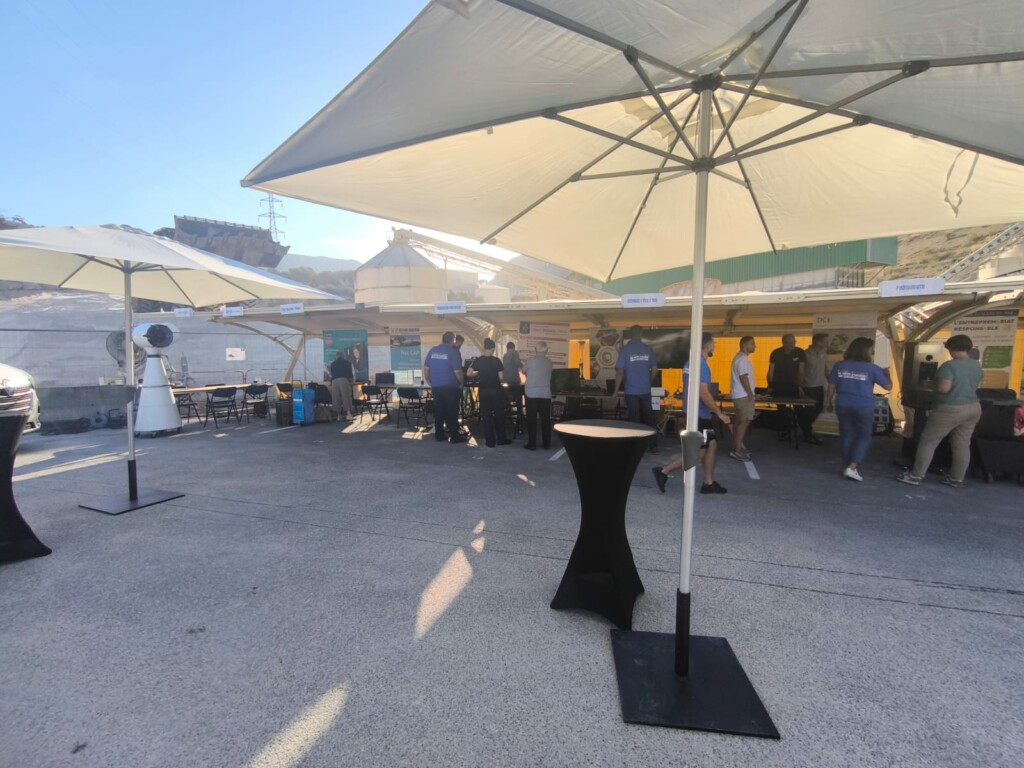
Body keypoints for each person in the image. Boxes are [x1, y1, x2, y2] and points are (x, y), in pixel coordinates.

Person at [896, 334, 983, 488]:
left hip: (950, 408)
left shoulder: (949, 366)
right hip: (973, 407)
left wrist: (931, 385)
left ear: (952, 348)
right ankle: (956, 478)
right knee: (962, 443)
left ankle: (916, 475)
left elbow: (944, 388)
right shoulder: (976, 365)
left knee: (928, 441)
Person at [652, 333, 731, 494]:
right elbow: (704, 393)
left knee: (711, 445)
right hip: (699, 415)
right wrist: (719, 413)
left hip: (696, 413)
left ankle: (708, 483)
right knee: (697, 453)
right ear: (707, 345)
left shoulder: (690, 363)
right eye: (713, 343)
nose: (715, 346)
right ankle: (663, 471)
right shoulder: (701, 365)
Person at [826, 337, 891, 482]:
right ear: (866, 351)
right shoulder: (872, 368)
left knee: (846, 435)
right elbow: (888, 387)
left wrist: (828, 401)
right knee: (863, 436)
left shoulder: (839, 365)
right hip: (863, 405)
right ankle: (852, 466)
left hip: (842, 404)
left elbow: (831, 385)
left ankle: (846, 465)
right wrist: (887, 374)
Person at [614, 325, 659, 453]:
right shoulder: (648, 349)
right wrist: (649, 381)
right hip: (645, 390)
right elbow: (654, 369)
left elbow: (620, 372)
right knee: (649, 418)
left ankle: (636, 448)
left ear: (630, 334)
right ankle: (653, 446)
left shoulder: (625, 350)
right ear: (641, 333)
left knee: (634, 420)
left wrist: (615, 391)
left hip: (631, 391)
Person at [768, 333, 812, 443]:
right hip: (779, 385)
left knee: (799, 408)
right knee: (781, 409)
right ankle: (784, 431)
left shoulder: (800, 352)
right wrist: (770, 385)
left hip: (794, 385)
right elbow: (770, 371)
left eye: (794, 342)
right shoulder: (776, 353)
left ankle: (806, 432)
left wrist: (799, 386)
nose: (792, 344)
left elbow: (801, 371)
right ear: (783, 343)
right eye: (790, 342)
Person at [423, 331, 465, 443]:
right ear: (453, 340)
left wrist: (429, 380)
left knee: (439, 412)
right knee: (452, 412)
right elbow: (457, 371)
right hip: (451, 387)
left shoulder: (433, 350)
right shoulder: (453, 352)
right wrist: (461, 382)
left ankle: (439, 435)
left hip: (437, 387)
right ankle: (454, 437)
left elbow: (426, 368)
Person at [469, 338, 510, 448]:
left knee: (486, 416)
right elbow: (501, 378)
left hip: (483, 391)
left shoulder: (478, 360)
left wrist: (477, 373)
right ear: (492, 349)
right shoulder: (497, 360)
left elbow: (469, 373)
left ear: (484, 348)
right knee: (499, 415)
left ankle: (490, 442)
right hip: (496, 390)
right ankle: (501, 439)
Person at [728, 336, 756, 461]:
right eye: (752, 344)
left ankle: (736, 446)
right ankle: (737, 450)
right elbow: (743, 377)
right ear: (744, 345)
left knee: (740, 421)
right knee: (744, 421)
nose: (754, 346)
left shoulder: (739, 358)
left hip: (739, 394)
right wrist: (750, 393)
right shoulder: (742, 359)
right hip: (743, 395)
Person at [801, 333, 831, 445]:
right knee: (809, 412)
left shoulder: (823, 353)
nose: (827, 343)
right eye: (825, 341)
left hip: (819, 386)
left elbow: (825, 367)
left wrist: (830, 379)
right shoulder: (805, 354)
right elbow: (801, 370)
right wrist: (800, 386)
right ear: (818, 342)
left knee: (818, 409)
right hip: (809, 387)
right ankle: (807, 434)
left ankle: (807, 430)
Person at [522, 341, 553, 450]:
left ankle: (532, 444)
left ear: (535, 350)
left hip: (531, 394)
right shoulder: (549, 362)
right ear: (546, 350)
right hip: (545, 394)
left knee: (531, 420)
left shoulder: (530, 361)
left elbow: (523, 371)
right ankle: (546, 444)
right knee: (545, 419)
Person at [329, 351, 354, 421]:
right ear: (343, 356)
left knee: (336, 398)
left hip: (334, 381)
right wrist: (351, 381)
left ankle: (339, 415)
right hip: (343, 380)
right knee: (346, 397)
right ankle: (348, 414)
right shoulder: (347, 363)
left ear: (336, 356)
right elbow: (350, 374)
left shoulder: (333, 364)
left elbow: (332, 374)